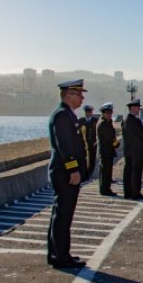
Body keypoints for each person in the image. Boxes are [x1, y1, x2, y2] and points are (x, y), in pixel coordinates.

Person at [47, 79, 88, 269]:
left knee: (61, 214)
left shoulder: (67, 115)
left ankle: (57, 253)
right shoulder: (62, 115)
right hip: (65, 172)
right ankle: (60, 256)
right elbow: (65, 145)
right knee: (63, 214)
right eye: (79, 94)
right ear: (69, 95)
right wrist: (73, 169)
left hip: (64, 171)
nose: (82, 98)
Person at [122, 98, 143, 200]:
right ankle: (135, 193)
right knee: (136, 173)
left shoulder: (124, 120)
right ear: (132, 108)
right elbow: (142, 134)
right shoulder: (136, 121)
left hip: (128, 150)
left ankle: (127, 193)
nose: (139, 109)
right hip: (137, 151)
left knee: (128, 172)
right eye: (138, 107)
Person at [96, 102, 120, 196]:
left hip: (108, 151)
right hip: (105, 151)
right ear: (103, 113)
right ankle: (105, 189)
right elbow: (110, 138)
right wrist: (116, 144)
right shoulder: (103, 124)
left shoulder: (107, 122)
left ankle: (106, 188)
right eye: (107, 113)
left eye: (110, 113)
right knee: (105, 171)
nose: (109, 115)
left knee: (107, 171)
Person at [78, 104, 98, 178]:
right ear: (85, 112)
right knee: (84, 159)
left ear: (92, 112)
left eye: (90, 112)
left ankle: (89, 174)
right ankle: (84, 174)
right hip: (83, 144)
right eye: (87, 112)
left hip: (93, 143)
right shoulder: (81, 120)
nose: (89, 113)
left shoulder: (95, 121)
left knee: (92, 159)